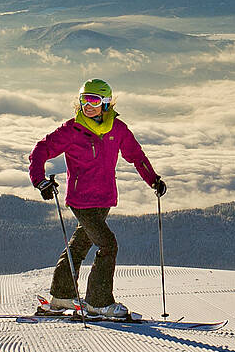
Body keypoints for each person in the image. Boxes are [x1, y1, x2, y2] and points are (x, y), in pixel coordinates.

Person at [28, 78, 166, 317]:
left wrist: (153, 179)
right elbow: (40, 150)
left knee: (80, 245)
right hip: (81, 200)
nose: (87, 105)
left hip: (105, 199)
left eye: (93, 100)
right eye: (84, 100)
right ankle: (98, 302)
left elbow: (135, 155)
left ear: (106, 103)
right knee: (108, 244)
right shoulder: (72, 130)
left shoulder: (117, 129)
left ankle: (61, 296)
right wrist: (39, 181)